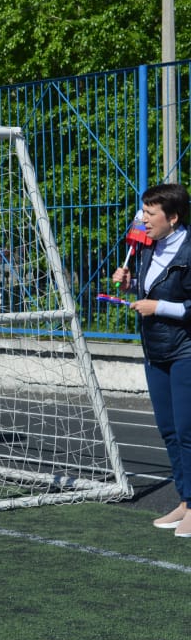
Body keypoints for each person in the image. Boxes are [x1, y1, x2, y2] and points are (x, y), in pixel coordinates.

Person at [112, 183, 191, 537]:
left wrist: (159, 307)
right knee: (169, 430)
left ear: (172, 217)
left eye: (150, 213)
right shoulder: (148, 248)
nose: (143, 219)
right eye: (143, 212)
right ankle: (185, 500)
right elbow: (151, 289)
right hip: (155, 350)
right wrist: (130, 286)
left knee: (188, 432)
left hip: (185, 350)